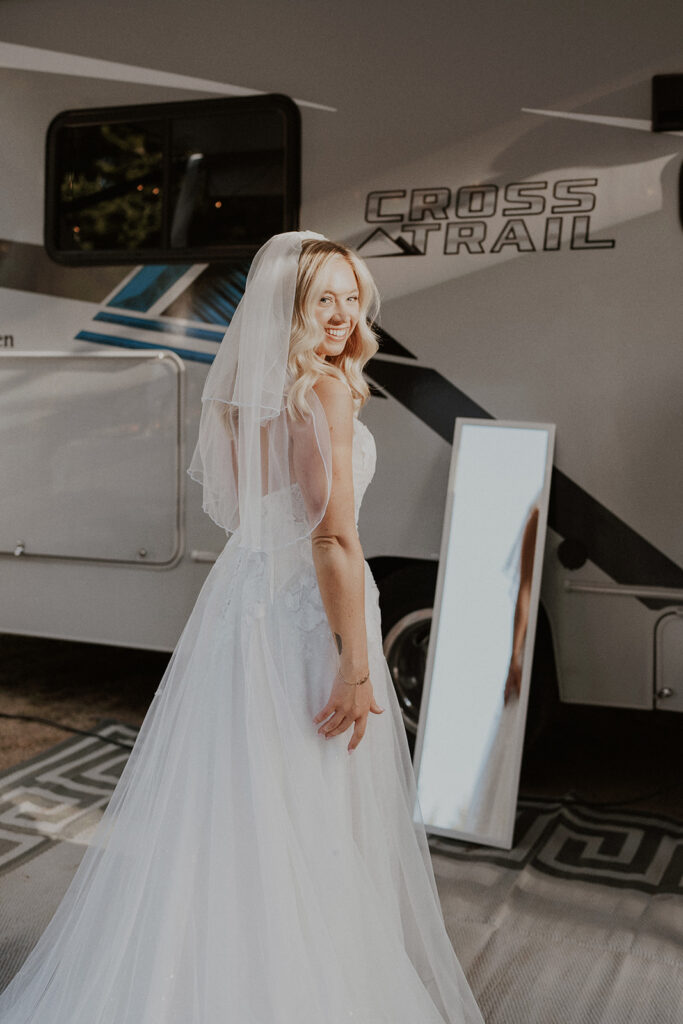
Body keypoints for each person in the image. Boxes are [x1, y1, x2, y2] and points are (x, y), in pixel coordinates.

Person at [0, 230, 484, 1023]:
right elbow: (329, 536)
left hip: (243, 603)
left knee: (234, 799)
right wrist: (356, 664)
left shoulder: (242, 393)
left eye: (349, 295)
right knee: (308, 800)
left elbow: (251, 510)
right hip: (305, 616)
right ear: (288, 308)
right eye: (321, 297)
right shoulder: (321, 393)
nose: (340, 312)